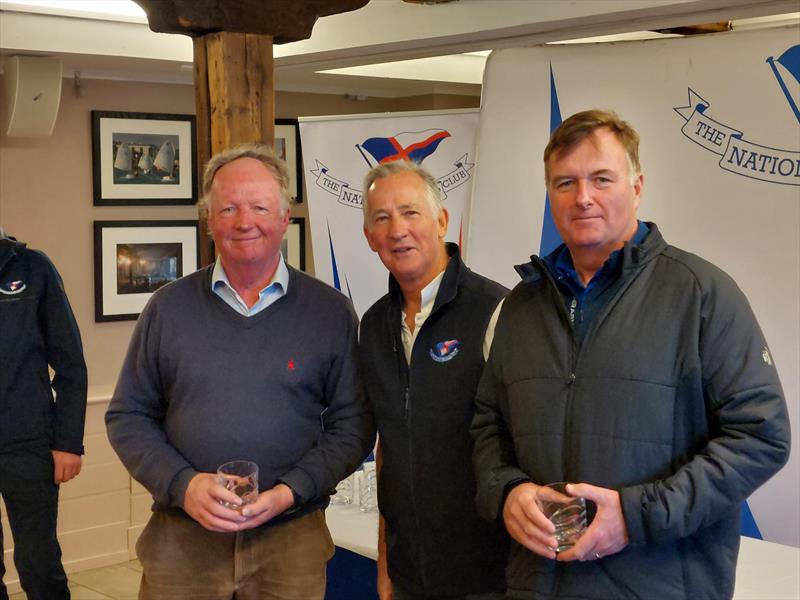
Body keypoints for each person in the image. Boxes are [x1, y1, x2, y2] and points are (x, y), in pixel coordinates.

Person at [471, 109, 791, 599]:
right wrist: (506, 489)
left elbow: (761, 436)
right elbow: (489, 423)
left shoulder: (701, 295)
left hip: (660, 586)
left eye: (602, 178)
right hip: (537, 585)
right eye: (565, 183)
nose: (583, 198)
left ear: (637, 186)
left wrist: (637, 515)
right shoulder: (520, 307)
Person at [106, 144, 375, 600]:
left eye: (259, 207)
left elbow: (353, 426)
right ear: (209, 220)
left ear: (285, 217)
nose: (243, 221)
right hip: (182, 541)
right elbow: (127, 417)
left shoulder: (329, 312)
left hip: (291, 542)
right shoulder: (168, 309)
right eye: (227, 208)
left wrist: (290, 491)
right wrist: (183, 485)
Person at [359, 160, 509, 600]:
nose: (397, 230)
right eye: (381, 219)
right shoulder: (374, 325)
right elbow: (389, 448)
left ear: (442, 221)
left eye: (410, 212)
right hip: (408, 578)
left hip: (487, 580)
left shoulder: (496, 310)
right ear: (370, 238)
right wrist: (385, 564)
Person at [0, 230, 87, 600]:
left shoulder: (33, 267)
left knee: (39, 565)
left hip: (28, 442)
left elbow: (70, 363)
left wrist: (68, 442)